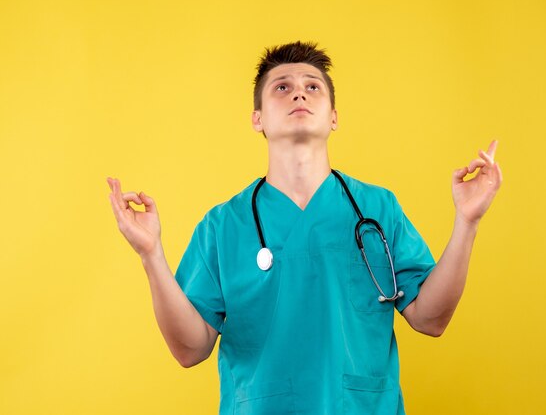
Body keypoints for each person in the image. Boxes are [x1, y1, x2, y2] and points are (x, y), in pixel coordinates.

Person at [107, 41, 503, 415]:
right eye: (282, 87)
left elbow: (430, 319)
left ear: (334, 117)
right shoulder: (223, 226)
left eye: (312, 87)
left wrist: (467, 222)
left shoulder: (378, 208)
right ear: (257, 118)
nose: (299, 94)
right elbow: (189, 350)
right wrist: (151, 255)